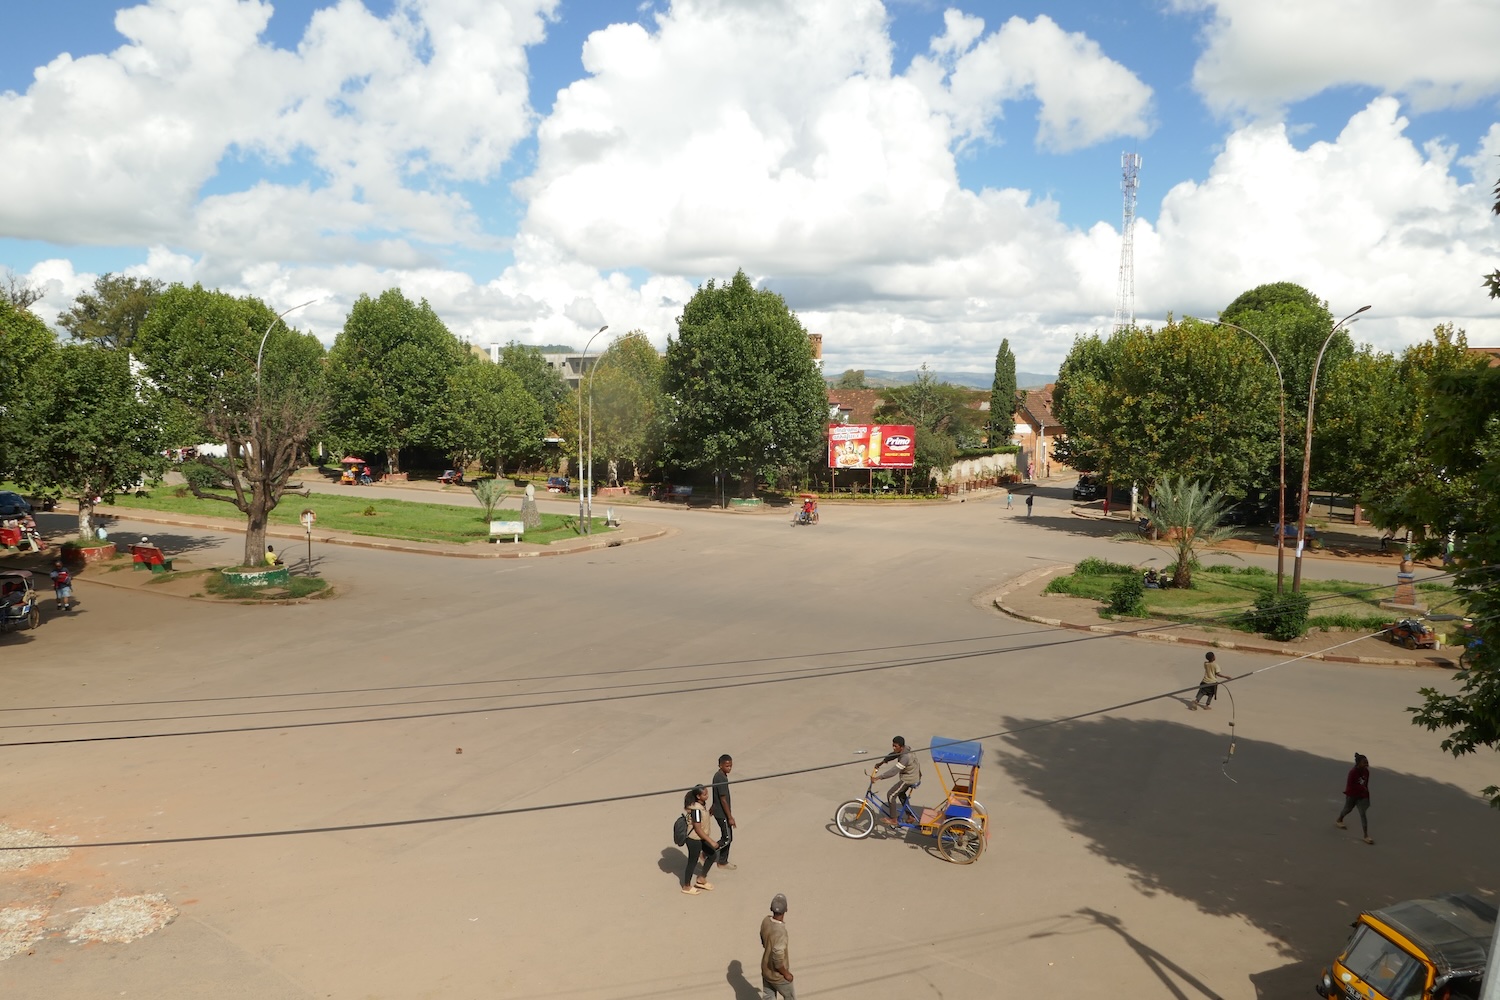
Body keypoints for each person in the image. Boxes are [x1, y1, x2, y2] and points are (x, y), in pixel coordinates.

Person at [873, 736, 921, 824]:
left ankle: (893, 819)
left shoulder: (905, 757)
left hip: (909, 779)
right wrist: (882, 762)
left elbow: (893, 771)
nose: (893, 748)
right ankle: (910, 816)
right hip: (914, 775)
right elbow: (893, 755)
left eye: (895, 746)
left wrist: (878, 777)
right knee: (901, 794)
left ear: (901, 747)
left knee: (891, 794)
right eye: (893, 745)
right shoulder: (905, 749)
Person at [680, 785, 718, 894]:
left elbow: (702, 820)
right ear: (698, 796)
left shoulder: (701, 805)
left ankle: (701, 879)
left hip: (701, 837)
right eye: (705, 794)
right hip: (694, 839)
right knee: (692, 862)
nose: (707, 795)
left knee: (712, 855)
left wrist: (709, 813)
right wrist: (711, 841)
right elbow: (697, 828)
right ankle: (686, 886)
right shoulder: (696, 809)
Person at [759, 893, 794, 999]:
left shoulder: (765, 921)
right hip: (778, 976)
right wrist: (786, 974)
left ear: (771, 908)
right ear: (786, 910)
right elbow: (778, 961)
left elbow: (763, 940)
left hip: (766, 970)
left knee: (768, 996)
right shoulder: (781, 933)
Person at [1336, 754, 1374, 845]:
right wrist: (1360, 789)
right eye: (1364, 762)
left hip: (1361, 796)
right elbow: (1351, 786)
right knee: (1348, 809)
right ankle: (1339, 819)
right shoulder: (1353, 772)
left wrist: (1366, 795)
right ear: (1358, 764)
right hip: (1352, 795)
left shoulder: (1366, 772)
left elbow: (1365, 785)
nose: (1366, 764)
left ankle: (1366, 836)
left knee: (1363, 814)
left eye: (1367, 762)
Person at [711, 754, 737, 871]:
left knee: (727, 837)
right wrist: (730, 816)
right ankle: (708, 853)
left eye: (730, 766)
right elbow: (723, 799)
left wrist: (713, 806)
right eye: (727, 766)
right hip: (722, 814)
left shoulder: (719, 776)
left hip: (719, 811)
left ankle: (722, 860)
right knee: (727, 838)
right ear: (720, 765)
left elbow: (715, 795)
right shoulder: (721, 778)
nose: (729, 768)